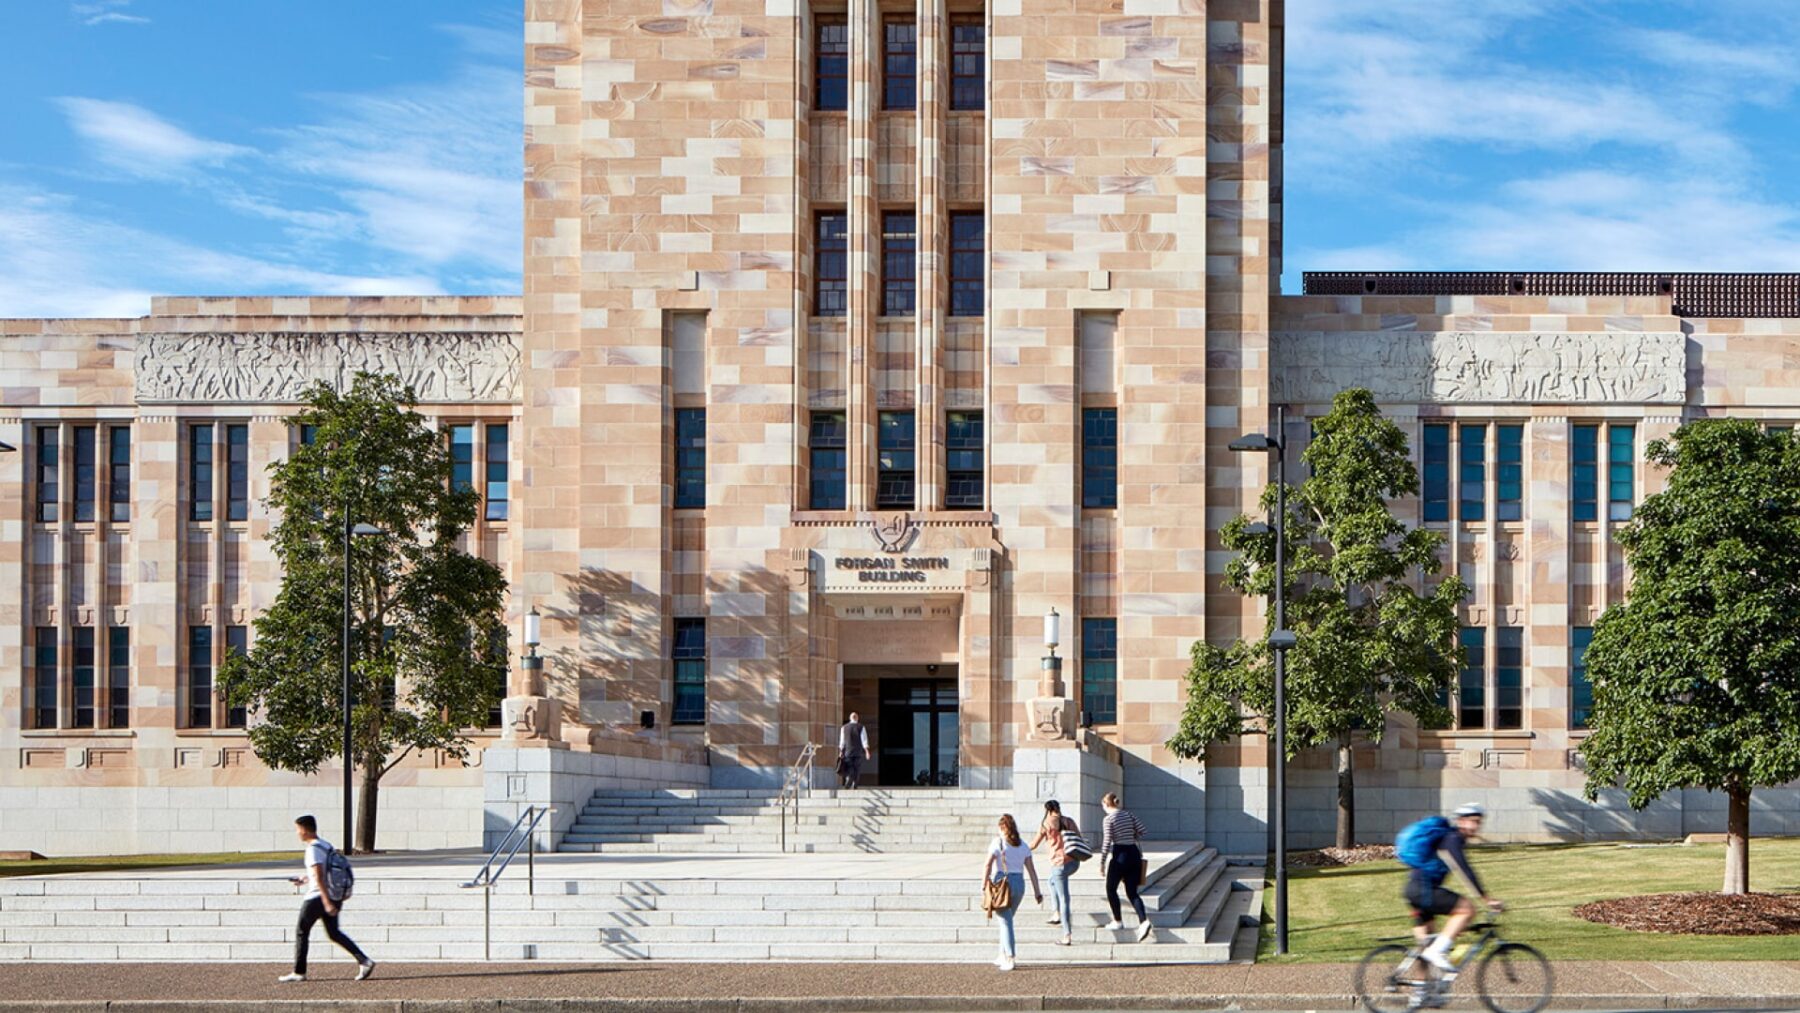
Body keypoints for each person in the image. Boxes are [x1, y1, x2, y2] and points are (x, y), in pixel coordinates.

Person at [1398, 803, 1503, 979]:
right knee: (1467, 909)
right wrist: (1486, 899)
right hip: (1423, 889)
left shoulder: (1447, 838)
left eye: (1479, 822)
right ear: (1461, 821)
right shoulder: (1452, 839)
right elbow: (1464, 869)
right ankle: (1437, 953)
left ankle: (1420, 994)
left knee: (1426, 946)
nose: (1476, 826)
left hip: (1414, 890)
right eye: (1473, 821)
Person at [278, 815, 375, 983]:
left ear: (305, 830)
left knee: (302, 930)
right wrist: (304, 879)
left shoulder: (312, 849)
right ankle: (364, 960)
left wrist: (325, 901)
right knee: (334, 933)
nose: (297, 833)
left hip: (318, 897)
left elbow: (319, 875)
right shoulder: (326, 845)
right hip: (333, 894)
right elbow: (323, 872)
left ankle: (299, 972)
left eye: (298, 829)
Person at [981, 813, 1042, 971]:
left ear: (1002, 828)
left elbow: (987, 865)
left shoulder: (998, 843)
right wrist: (1037, 891)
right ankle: (1001, 954)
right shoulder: (1023, 845)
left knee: (1005, 922)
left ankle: (1010, 957)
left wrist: (984, 884)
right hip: (1019, 884)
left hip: (1002, 883)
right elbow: (1032, 870)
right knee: (1006, 920)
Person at [1098, 792, 1154, 942]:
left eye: (1102, 805)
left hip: (1120, 855)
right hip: (1134, 854)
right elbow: (1142, 830)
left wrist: (1102, 862)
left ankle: (1117, 921)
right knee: (1132, 892)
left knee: (1111, 889)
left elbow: (1107, 841)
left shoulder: (1108, 819)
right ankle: (1143, 921)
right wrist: (1130, 834)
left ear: (1106, 804)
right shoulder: (1128, 815)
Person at [1028, 799, 1081, 946]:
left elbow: (1033, 844)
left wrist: (1019, 848)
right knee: (1050, 881)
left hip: (1059, 864)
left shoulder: (1046, 823)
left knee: (1064, 899)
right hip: (1074, 862)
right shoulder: (1068, 821)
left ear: (1047, 809)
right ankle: (1055, 911)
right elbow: (1079, 839)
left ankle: (1067, 934)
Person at [837, 712, 870, 789]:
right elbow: (864, 740)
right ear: (857, 718)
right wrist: (867, 752)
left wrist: (841, 751)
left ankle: (849, 778)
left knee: (849, 767)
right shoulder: (861, 727)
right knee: (857, 768)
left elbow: (842, 741)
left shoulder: (844, 728)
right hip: (858, 751)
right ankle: (855, 783)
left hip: (848, 751)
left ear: (850, 718)